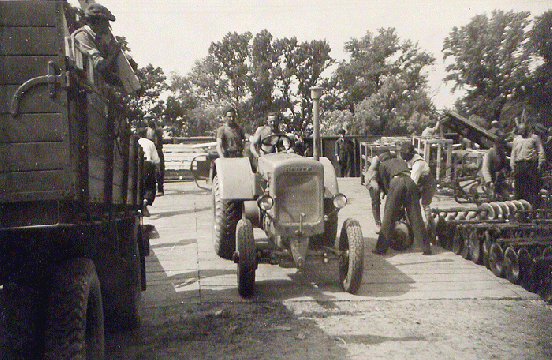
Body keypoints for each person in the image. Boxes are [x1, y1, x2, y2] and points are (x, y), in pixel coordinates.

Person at [373, 151, 429, 255]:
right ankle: (426, 248)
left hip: (396, 182)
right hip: (410, 182)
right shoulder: (401, 161)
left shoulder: (383, 165)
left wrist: (388, 195)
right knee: (416, 216)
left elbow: (384, 184)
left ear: (381, 160)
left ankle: (381, 249)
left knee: (388, 217)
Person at [399, 142, 437, 250]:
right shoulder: (410, 160)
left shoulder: (418, 163)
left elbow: (412, 182)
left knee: (425, 206)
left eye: (404, 154)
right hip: (420, 184)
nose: (403, 156)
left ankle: (431, 231)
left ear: (410, 154)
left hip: (427, 185)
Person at [72, 3, 122, 85]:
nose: (108, 26)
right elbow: (99, 65)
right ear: (96, 22)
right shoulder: (82, 36)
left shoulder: (97, 38)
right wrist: (113, 53)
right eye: (105, 22)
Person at [510, 123, 546, 208]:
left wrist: (540, 164)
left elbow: (541, 152)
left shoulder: (535, 138)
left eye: (523, 131)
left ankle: (533, 210)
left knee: (532, 188)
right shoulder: (516, 139)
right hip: (519, 165)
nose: (521, 133)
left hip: (530, 165)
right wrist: (512, 165)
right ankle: (519, 210)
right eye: (520, 131)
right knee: (519, 189)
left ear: (527, 130)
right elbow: (513, 153)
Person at [137, 128, 161, 217]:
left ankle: (139, 203)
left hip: (137, 165)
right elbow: (156, 160)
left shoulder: (137, 142)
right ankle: (145, 202)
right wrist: (157, 170)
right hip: (148, 164)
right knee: (150, 186)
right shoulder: (151, 143)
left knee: (139, 186)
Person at [146, 114, 165, 195]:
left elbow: (158, 141)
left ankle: (160, 189)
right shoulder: (147, 130)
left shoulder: (157, 130)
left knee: (159, 170)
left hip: (157, 150)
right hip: (151, 150)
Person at [365, 154, 382, 227]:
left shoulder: (373, 167)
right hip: (373, 183)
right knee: (376, 202)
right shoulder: (374, 169)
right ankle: (377, 222)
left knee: (376, 202)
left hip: (372, 182)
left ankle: (377, 221)